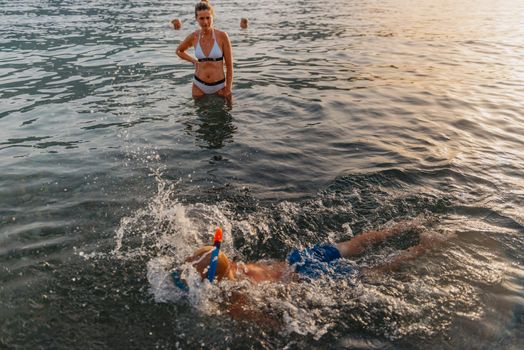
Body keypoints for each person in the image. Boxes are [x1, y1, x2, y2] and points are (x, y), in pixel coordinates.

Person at [183, 221, 439, 285]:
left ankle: (424, 247)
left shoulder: (235, 297)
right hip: (298, 259)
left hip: (307, 278)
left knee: (373, 272)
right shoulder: (238, 265)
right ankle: (404, 226)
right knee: (351, 244)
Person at [176, 1, 233, 99]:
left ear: (212, 17)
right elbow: (179, 51)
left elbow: (229, 66)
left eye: (208, 18)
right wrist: (193, 61)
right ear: (196, 19)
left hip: (219, 86)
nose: (205, 22)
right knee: (199, 114)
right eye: (201, 18)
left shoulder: (222, 36)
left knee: (225, 113)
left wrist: (228, 88)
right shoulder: (194, 36)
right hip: (198, 86)